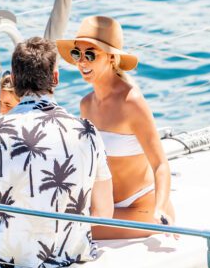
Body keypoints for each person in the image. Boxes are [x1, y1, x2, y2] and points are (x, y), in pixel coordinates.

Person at [0, 37, 114, 268]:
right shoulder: (87, 132)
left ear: (13, 80)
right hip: (71, 257)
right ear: (55, 78)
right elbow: (104, 213)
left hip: (2, 266)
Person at [57, 16, 174, 239]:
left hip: (142, 208)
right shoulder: (86, 104)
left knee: (70, 232)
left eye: (90, 54)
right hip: (105, 206)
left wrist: (160, 208)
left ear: (111, 57)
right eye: (77, 54)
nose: (82, 61)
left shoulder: (132, 101)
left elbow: (160, 164)